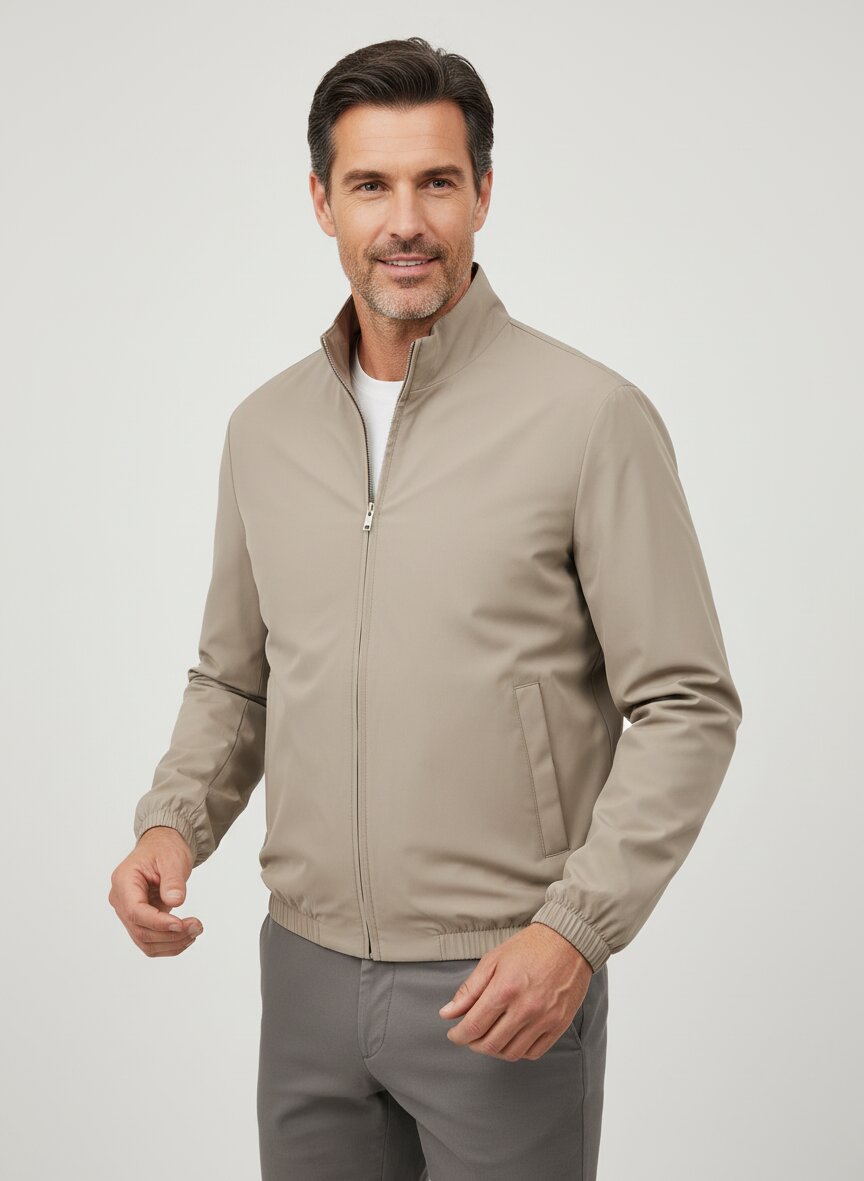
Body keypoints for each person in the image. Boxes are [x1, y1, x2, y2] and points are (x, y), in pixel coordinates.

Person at [108, 36, 742, 1181]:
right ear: (322, 201)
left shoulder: (588, 416)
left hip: (503, 981)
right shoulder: (264, 430)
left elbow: (688, 701)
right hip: (304, 977)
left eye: (437, 181)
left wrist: (574, 931)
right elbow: (235, 675)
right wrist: (173, 822)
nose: (406, 221)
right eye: (371, 185)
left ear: (483, 192)